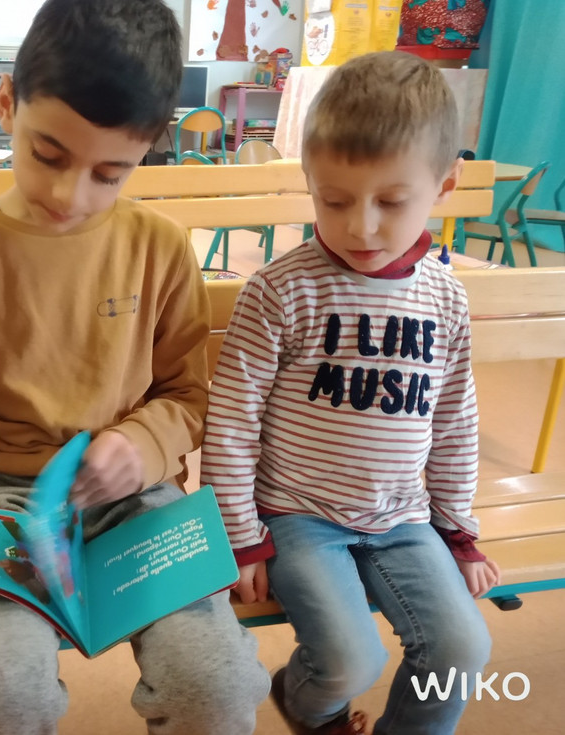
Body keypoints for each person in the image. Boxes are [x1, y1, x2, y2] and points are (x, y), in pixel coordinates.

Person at [0, 1, 270, 733]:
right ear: (8, 103)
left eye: (110, 173)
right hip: (3, 503)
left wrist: (144, 442)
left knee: (215, 685)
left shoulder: (160, 248)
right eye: (49, 155)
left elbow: (188, 394)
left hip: (142, 501)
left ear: (147, 150)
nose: (72, 195)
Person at [201, 51, 499, 735]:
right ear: (310, 182)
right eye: (334, 201)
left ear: (444, 185)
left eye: (391, 202)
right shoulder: (280, 290)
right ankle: (311, 709)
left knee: (462, 651)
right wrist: (241, 540)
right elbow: (232, 424)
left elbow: (455, 420)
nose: (361, 226)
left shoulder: (445, 297)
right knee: (346, 662)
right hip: (298, 515)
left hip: (404, 518)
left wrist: (458, 529)